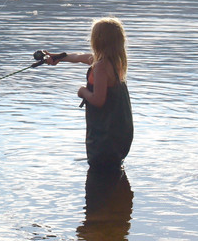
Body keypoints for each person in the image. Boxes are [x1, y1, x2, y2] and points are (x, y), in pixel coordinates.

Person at [45, 17, 134, 171]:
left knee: (99, 174)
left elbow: (98, 100)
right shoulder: (114, 62)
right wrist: (59, 57)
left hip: (104, 137)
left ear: (97, 40)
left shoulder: (100, 66)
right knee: (112, 171)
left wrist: (82, 91)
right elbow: (79, 57)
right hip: (118, 135)